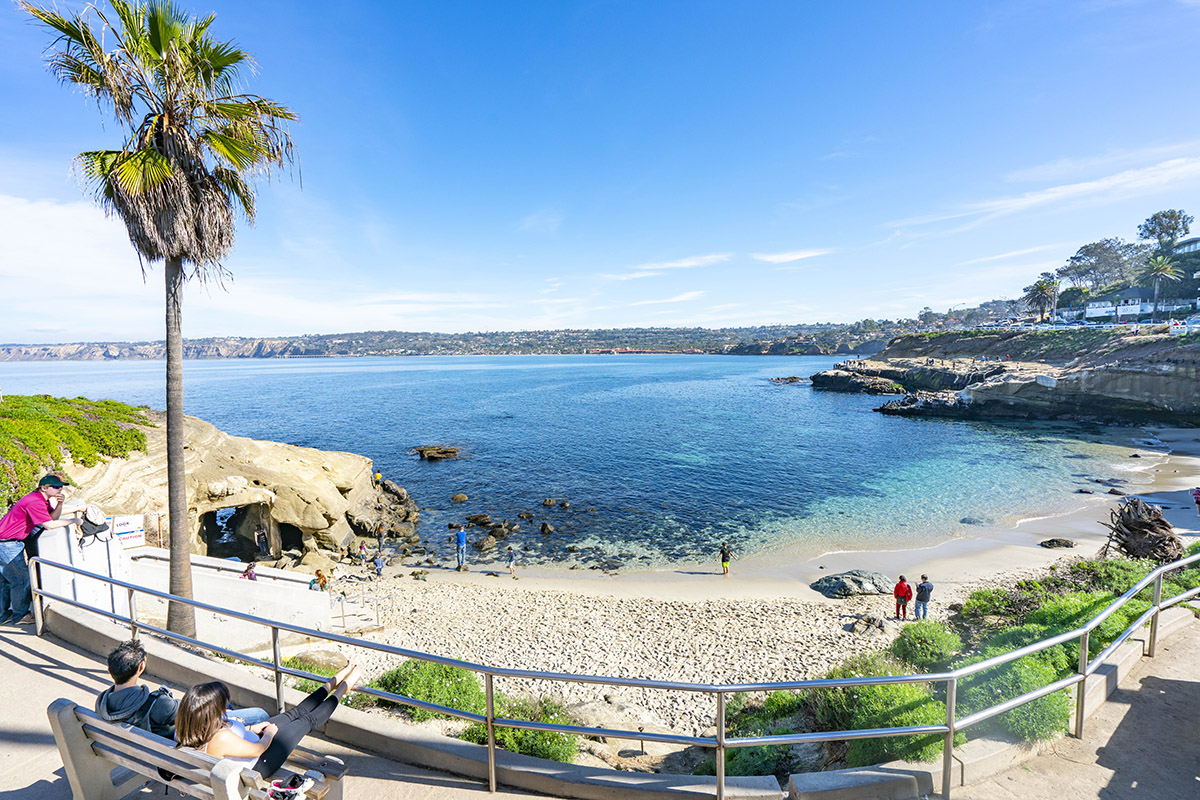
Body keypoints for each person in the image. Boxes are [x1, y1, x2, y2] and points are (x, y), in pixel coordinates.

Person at [176, 663, 360, 780]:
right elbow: (258, 749)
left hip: (251, 742)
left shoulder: (191, 726)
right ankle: (344, 687)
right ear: (211, 711)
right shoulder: (220, 738)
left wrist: (251, 728)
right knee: (307, 720)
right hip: (260, 761)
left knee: (296, 712)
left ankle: (335, 680)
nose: (226, 706)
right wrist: (269, 734)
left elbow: (230, 740)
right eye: (222, 704)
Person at [96, 640, 268, 739]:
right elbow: (195, 717)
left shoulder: (102, 703)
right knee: (260, 714)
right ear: (141, 666)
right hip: (174, 750)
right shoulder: (156, 704)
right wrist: (234, 723)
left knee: (226, 705)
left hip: (137, 750)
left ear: (110, 670)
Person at [0, 474, 83, 625]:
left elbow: (52, 518)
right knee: (22, 579)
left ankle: (4, 614)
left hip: (8, 541)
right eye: (56, 487)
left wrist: (59, 505)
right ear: (44, 488)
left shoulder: (39, 499)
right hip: (7, 544)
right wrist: (74, 520)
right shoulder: (34, 502)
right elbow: (49, 525)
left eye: (61, 486)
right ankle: (20, 616)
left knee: (6, 580)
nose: (60, 489)